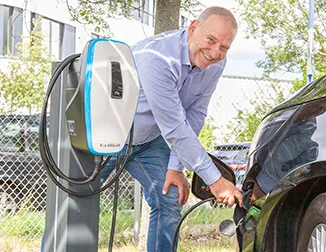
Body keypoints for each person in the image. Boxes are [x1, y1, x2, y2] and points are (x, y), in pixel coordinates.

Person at [100, 6, 243, 252]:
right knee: (76, 205)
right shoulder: (157, 59)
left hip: (146, 141)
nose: (215, 52)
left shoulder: (216, 63)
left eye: (224, 47)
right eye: (210, 40)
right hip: (104, 135)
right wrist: (215, 181)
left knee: (170, 197)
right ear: (194, 28)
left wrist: (175, 167)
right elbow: (175, 127)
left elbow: (195, 113)